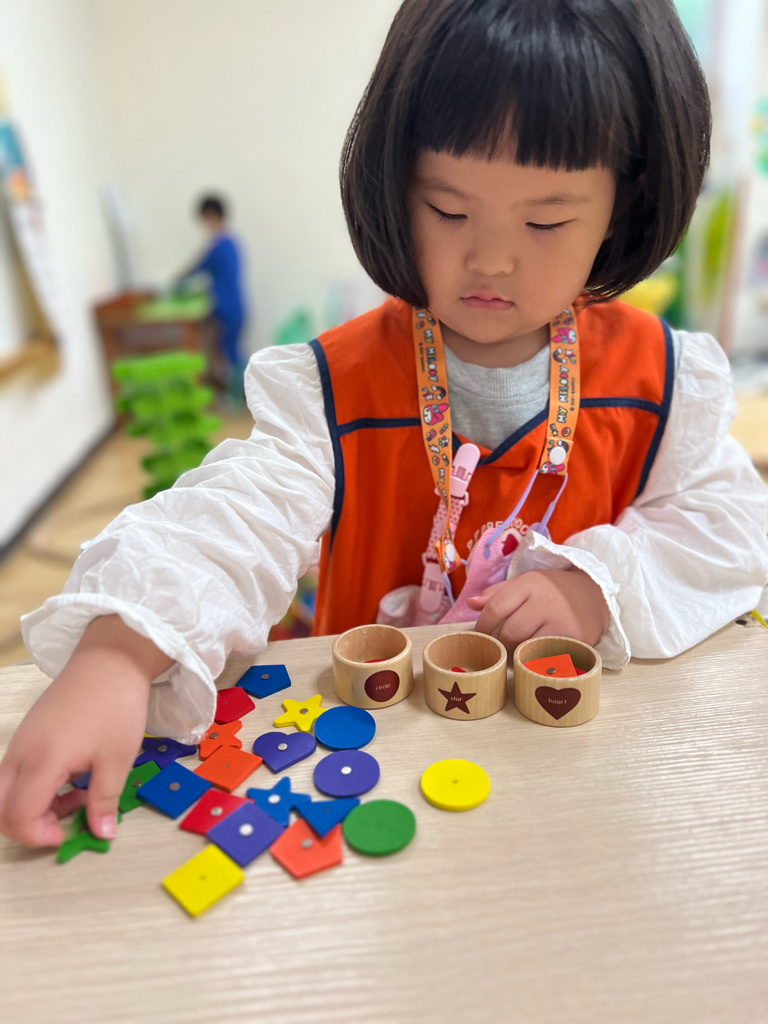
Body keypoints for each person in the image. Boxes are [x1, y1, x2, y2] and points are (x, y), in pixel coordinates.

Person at [2, 0, 767, 850]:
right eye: (448, 210)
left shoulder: (665, 380)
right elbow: (238, 515)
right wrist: (120, 650)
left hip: (579, 781)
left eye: (546, 221)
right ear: (396, 187)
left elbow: (727, 529)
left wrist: (595, 588)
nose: (491, 259)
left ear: (625, 205)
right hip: (368, 766)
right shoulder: (331, 387)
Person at [178, 194, 248, 393]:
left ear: (211, 215)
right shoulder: (232, 242)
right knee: (229, 349)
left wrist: (177, 281)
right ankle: (243, 391)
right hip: (236, 306)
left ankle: (246, 392)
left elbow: (197, 267)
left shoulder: (218, 245)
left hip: (227, 308)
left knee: (230, 351)